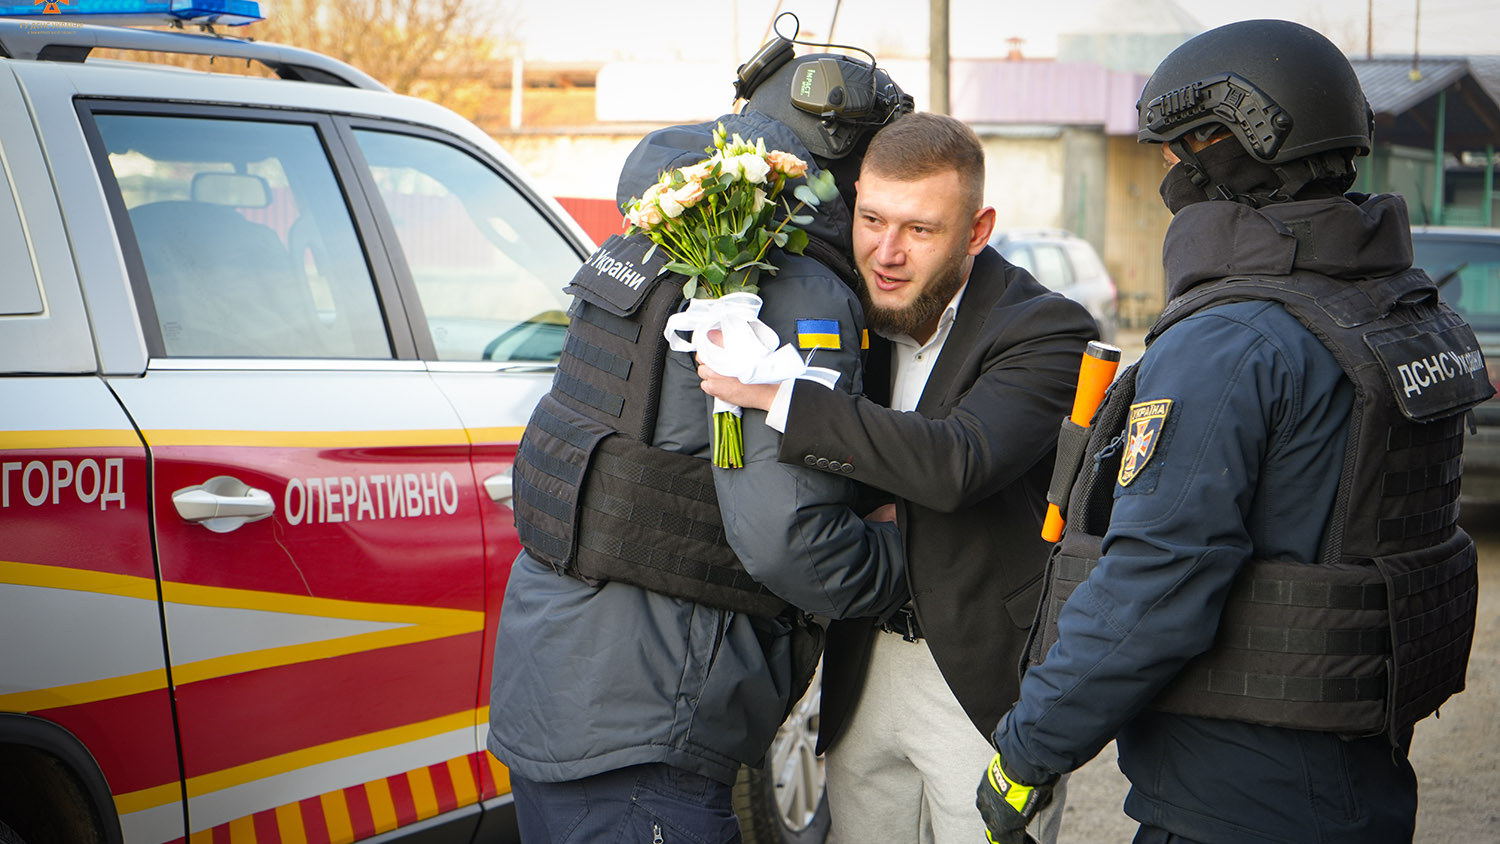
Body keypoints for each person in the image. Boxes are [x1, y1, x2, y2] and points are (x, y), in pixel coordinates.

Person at [975, 19, 1495, 844]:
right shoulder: (1399, 306)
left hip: (1237, 798)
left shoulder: (1233, 340)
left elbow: (1156, 584)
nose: (1170, 178)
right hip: (1361, 779)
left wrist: (1025, 752)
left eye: (1177, 154)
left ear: (1227, 149)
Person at [487, 41, 917, 843]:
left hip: (555, 688)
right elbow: (791, 538)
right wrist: (908, 565)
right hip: (649, 722)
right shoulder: (786, 281)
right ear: (842, 162)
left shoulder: (641, 245)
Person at [700, 111, 1098, 843]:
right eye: (872, 219)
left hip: (979, 688)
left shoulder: (1046, 331)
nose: (886, 252)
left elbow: (957, 464)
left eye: (920, 229)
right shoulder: (842, 313)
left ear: (977, 231)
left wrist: (783, 398)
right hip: (860, 670)